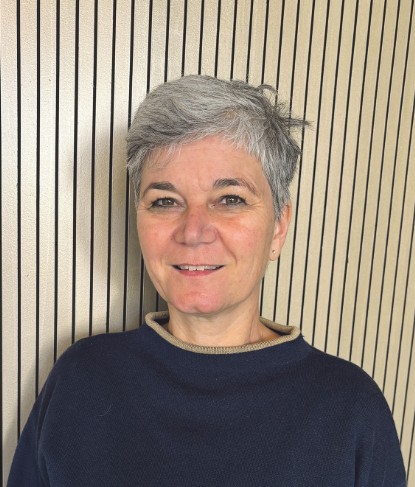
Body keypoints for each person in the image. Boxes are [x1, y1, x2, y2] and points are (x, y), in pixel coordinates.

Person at [8, 75, 406, 486]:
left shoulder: (352, 411)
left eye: (230, 199)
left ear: (279, 226)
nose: (193, 231)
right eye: (165, 201)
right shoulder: (80, 382)